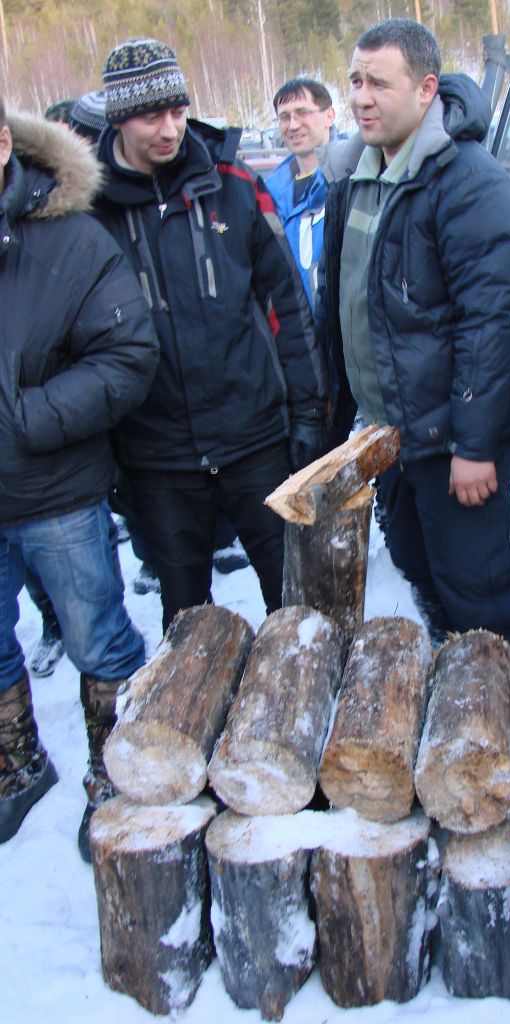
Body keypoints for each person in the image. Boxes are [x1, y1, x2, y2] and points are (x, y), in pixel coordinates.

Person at [317, 18, 510, 761]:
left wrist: (476, 446)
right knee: (416, 561)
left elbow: (490, 329)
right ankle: (464, 665)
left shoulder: (468, 183)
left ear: (427, 89)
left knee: (479, 578)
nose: (361, 97)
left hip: (449, 433)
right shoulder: (355, 177)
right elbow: (343, 305)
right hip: (386, 429)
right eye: (355, 80)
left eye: (379, 82)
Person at [93, 38, 328, 633]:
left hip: (254, 438)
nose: (170, 129)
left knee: (296, 605)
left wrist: (308, 413)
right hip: (158, 455)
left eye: (178, 111)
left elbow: (286, 303)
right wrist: (109, 460)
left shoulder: (232, 181)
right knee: (186, 622)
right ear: (119, 118)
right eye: (152, 116)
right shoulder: (90, 211)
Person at [0, 98, 159, 857]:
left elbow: (128, 354)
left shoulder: (68, 235)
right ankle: (17, 764)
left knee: (98, 635)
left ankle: (115, 770)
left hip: (53, 490)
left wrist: (28, 417)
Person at [267, 77, 336, 305]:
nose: (293, 125)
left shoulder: (346, 182)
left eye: (302, 113)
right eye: (285, 117)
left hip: (335, 323)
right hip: (290, 323)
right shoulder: (269, 194)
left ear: (329, 116)